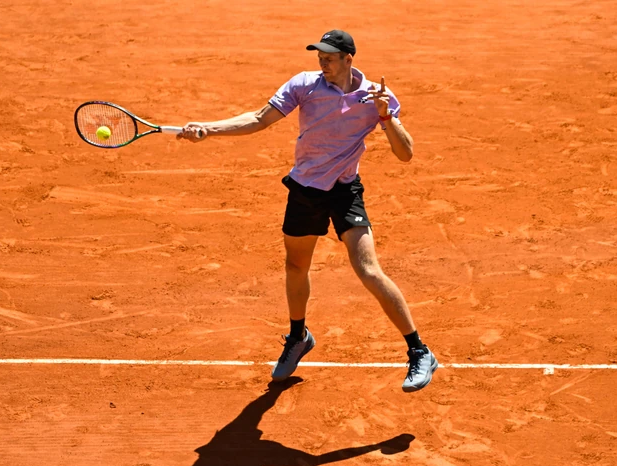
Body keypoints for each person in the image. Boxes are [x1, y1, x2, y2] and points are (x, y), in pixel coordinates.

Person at [178, 30, 437, 392]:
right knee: (296, 267)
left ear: (348, 59)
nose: (322, 62)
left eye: (329, 57)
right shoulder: (304, 85)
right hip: (305, 189)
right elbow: (260, 118)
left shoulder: (375, 96)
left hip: (345, 192)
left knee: (368, 269)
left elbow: (405, 153)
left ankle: (419, 351)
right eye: (319, 56)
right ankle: (298, 337)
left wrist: (385, 116)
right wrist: (208, 128)